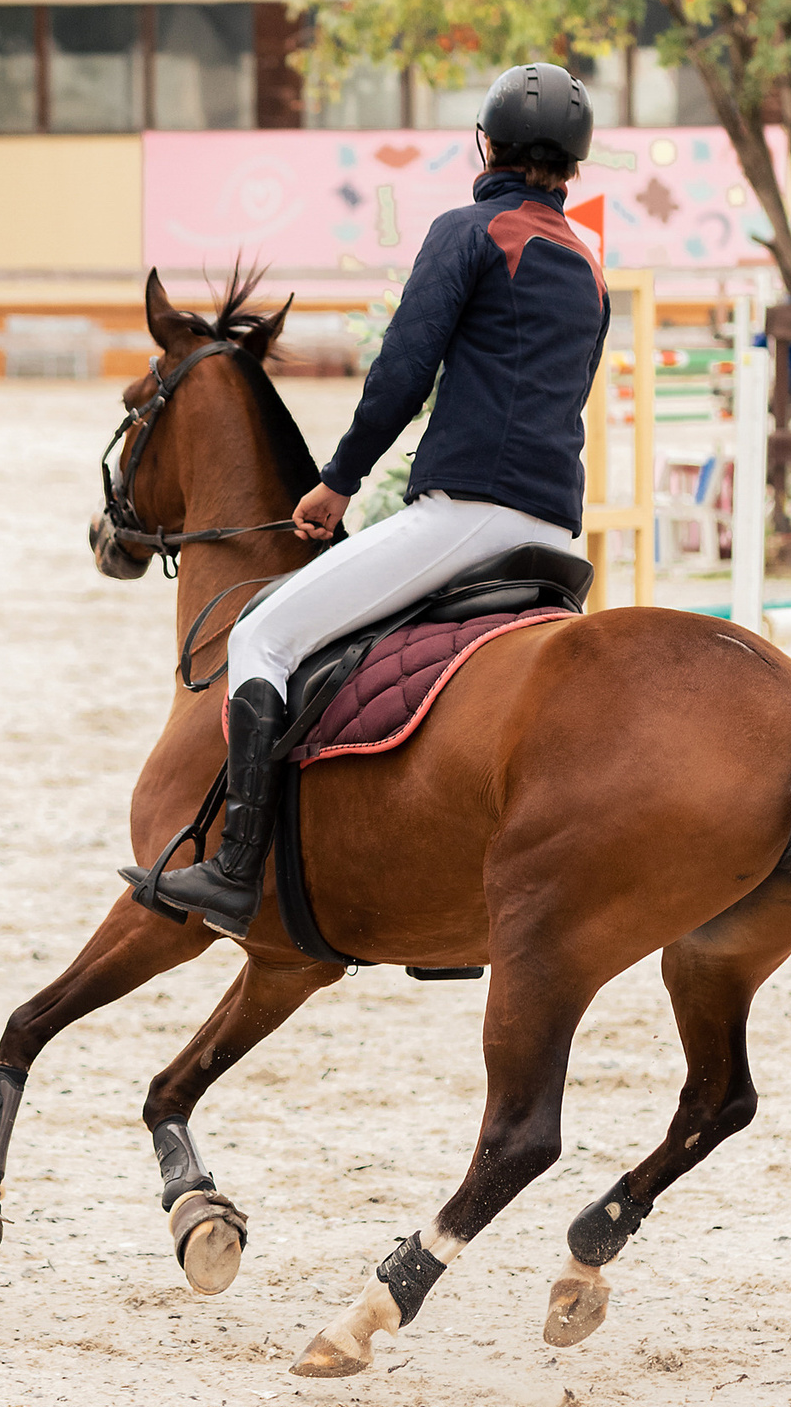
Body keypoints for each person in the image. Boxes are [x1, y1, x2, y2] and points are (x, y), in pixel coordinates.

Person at [137, 62, 609, 937]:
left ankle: (235, 869)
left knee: (263, 633)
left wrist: (338, 480)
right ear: (574, 164)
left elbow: (403, 370)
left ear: (486, 144)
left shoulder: (469, 231)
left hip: (467, 513)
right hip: (552, 529)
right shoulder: (590, 265)